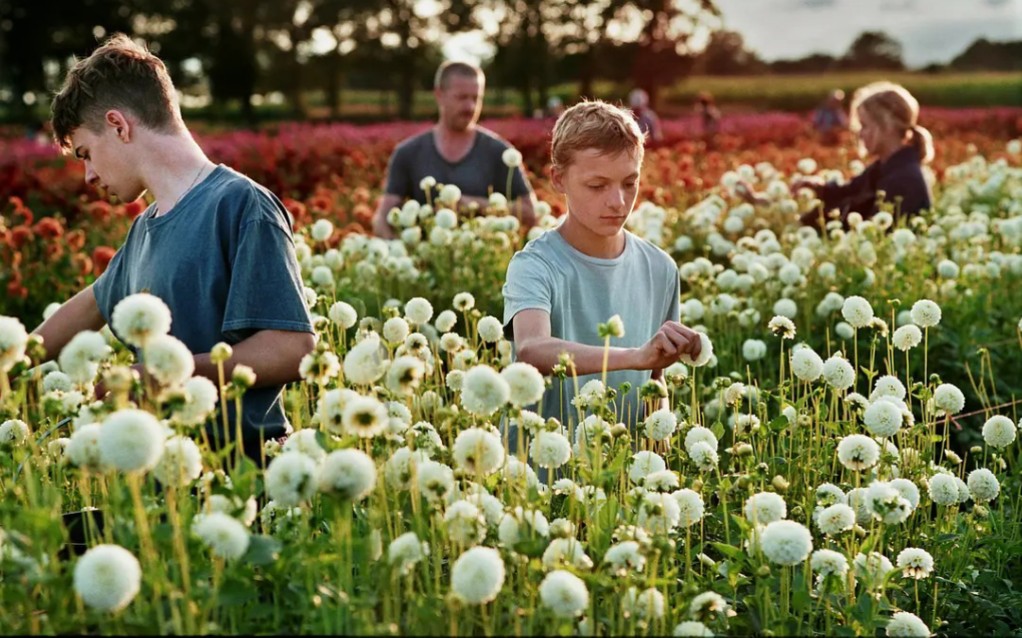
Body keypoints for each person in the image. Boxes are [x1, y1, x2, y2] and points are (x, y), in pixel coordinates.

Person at [34, 34, 315, 461]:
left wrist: (163, 375)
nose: (88, 175)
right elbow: (89, 305)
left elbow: (291, 349)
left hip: (244, 474)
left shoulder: (240, 204)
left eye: (86, 153)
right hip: (164, 477)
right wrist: (8, 360)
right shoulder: (144, 229)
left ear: (118, 124)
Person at [501, 100, 702, 436]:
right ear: (558, 179)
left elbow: (655, 379)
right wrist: (635, 356)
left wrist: (658, 442)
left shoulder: (660, 268)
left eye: (629, 183)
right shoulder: (534, 265)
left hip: (623, 475)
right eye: (597, 186)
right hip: (541, 473)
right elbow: (532, 349)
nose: (618, 202)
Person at [372, 61, 537, 238]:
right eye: (461, 97)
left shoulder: (500, 152)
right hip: (426, 260)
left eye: (476, 98)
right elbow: (382, 218)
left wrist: (472, 204)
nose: (470, 107)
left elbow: (530, 212)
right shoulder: (408, 153)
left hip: (483, 259)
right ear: (439, 95)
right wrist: (399, 251)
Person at [740, 81, 933, 229]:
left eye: (865, 126)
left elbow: (871, 234)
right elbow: (845, 193)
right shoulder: (885, 169)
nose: (859, 133)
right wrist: (813, 188)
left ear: (888, 125)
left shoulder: (903, 179)